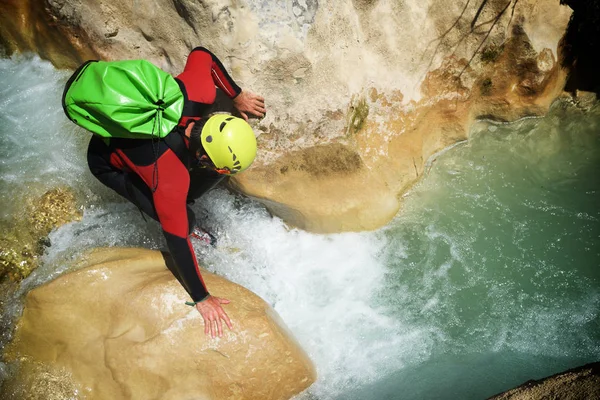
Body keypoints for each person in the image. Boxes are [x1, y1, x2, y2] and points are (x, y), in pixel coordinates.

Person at [86, 47, 266, 338]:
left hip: (140, 139)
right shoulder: (169, 177)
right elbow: (177, 241)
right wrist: (202, 298)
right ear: (203, 156)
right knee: (184, 219)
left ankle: (175, 193)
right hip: (106, 162)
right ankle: (168, 201)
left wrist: (236, 95)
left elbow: (202, 55)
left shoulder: (196, 93)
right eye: (217, 166)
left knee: (190, 192)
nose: (223, 174)